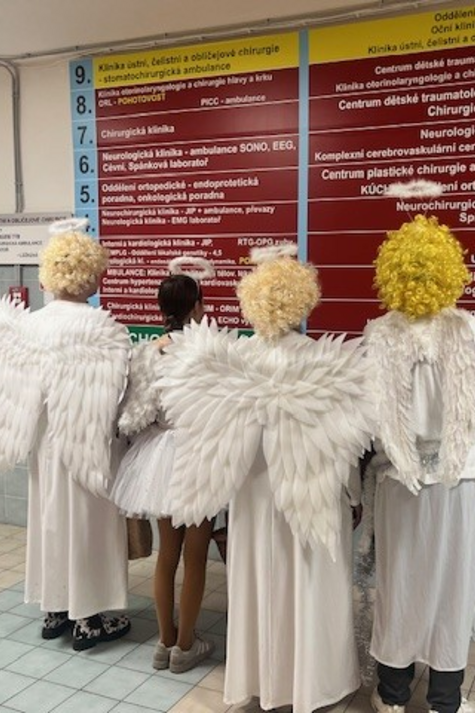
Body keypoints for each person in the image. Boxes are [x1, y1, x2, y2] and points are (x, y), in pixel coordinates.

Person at [155, 244, 373, 713]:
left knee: (257, 584)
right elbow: (344, 445)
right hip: (311, 496)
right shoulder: (324, 362)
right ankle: (312, 683)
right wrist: (354, 498)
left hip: (253, 497)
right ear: (304, 301)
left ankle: (258, 680)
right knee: (308, 583)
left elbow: (202, 435)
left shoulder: (234, 360)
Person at [0, 219, 132, 651]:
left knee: (49, 523)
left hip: (44, 449)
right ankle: (89, 619)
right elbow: (118, 397)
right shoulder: (103, 329)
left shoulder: (26, 327)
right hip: (87, 447)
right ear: (92, 275)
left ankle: (54, 611)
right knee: (88, 527)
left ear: (49, 275)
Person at [364, 211, 475, 713]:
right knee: (453, 584)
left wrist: (404, 453)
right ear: (448, 269)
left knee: (398, 581)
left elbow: (373, 413)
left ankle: (392, 695)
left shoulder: (379, 333)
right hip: (459, 476)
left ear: (392, 272)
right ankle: (445, 701)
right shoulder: (468, 328)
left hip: (400, 478)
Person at [110, 256, 216, 673]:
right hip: (198, 455)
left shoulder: (147, 352)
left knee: (167, 554)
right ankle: (186, 647)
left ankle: (164, 641)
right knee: (196, 555)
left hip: (157, 456)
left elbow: (136, 413)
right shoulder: (208, 350)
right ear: (196, 306)